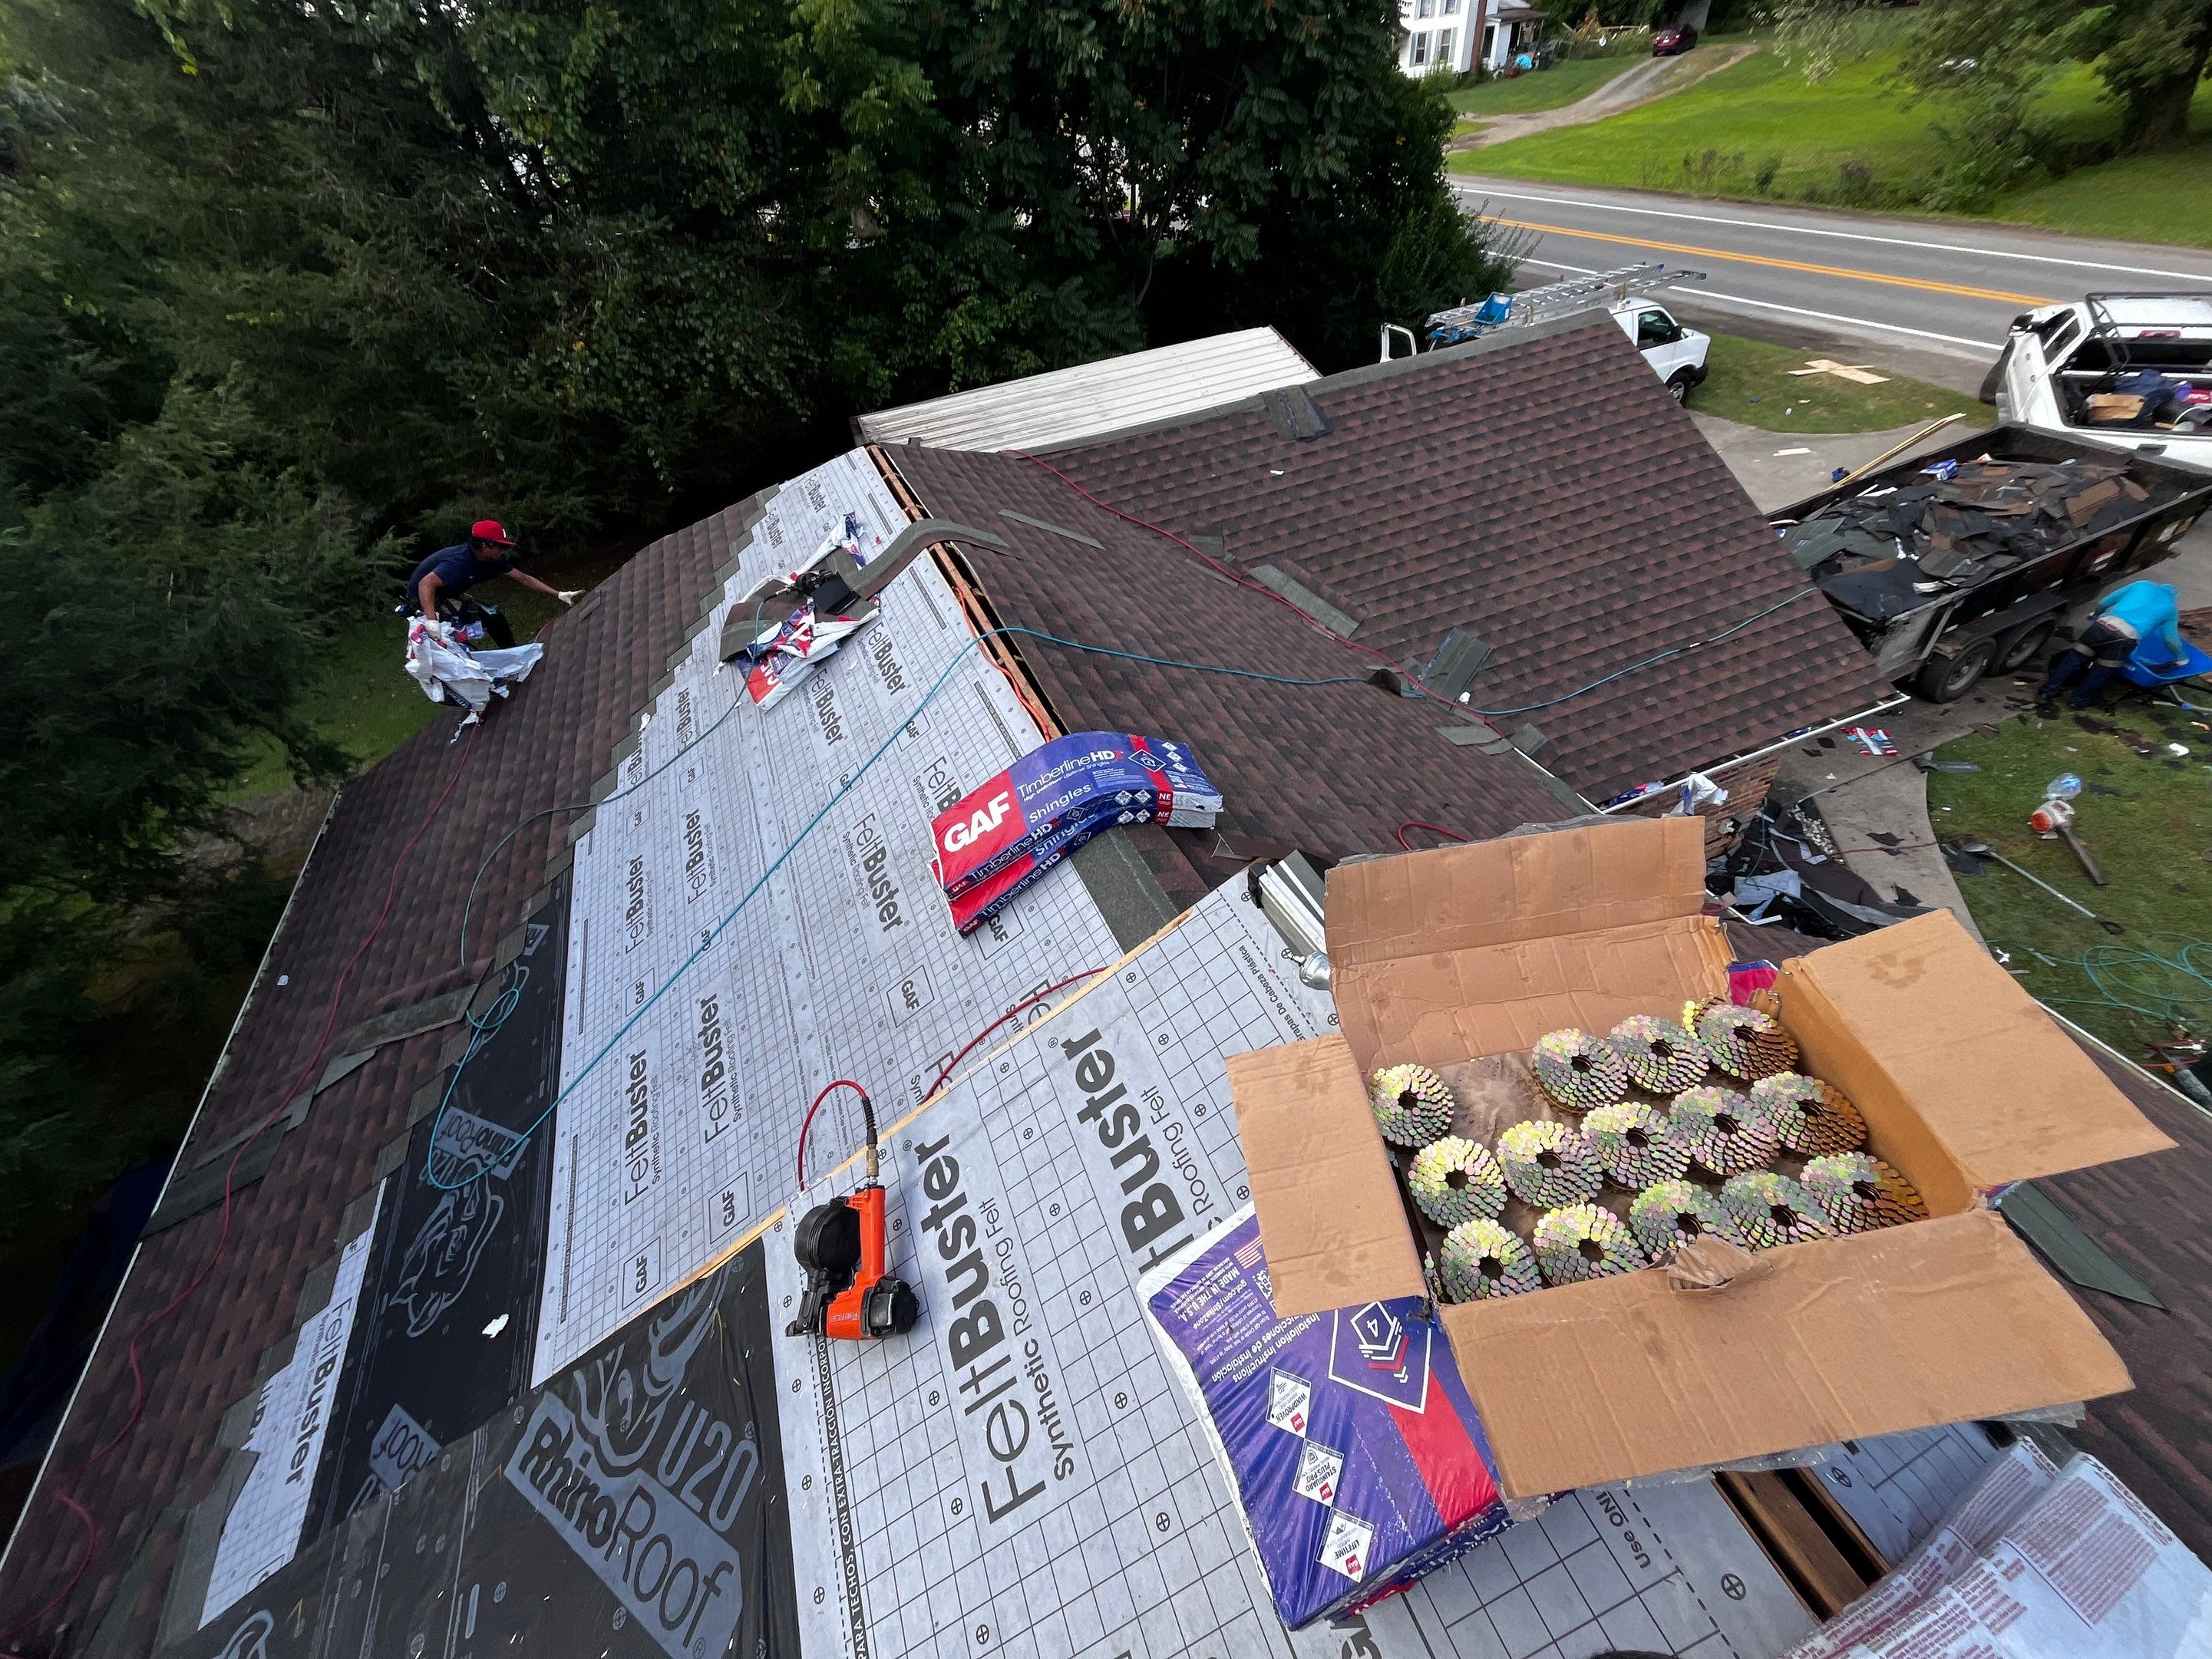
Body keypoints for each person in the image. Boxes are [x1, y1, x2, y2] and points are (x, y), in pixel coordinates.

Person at [408, 519, 579, 649]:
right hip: (426, 598)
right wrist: (431, 622)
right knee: (451, 636)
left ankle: (513, 654)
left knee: (494, 617)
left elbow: (524, 579)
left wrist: (559, 594)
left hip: (446, 592)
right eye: (501, 547)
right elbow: (425, 584)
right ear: (485, 546)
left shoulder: (492, 560)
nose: (503, 551)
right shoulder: (460, 560)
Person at [2036, 579, 2184, 711]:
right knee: (2101, 671)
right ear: (2174, 597)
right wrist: (2181, 658)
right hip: (2124, 639)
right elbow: (2170, 638)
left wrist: (2096, 615)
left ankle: (2046, 693)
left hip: (2101, 627)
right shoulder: (2170, 608)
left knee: (2073, 660)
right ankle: (2078, 702)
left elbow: (2105, 602)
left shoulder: (2142, 584)